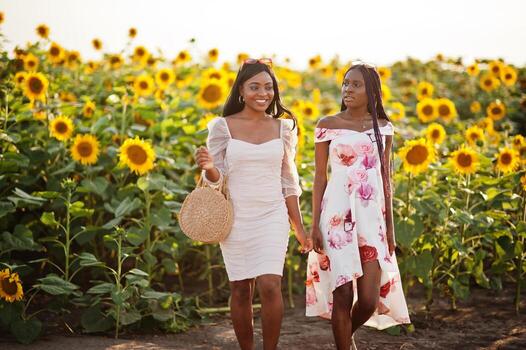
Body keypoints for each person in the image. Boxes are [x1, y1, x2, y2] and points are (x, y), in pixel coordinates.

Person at [195, 58, 312, 350]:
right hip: (236, 216)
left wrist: (298, 227)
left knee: (271, 284)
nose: (263, 93)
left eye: (269, 87)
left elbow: (289, 182)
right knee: (240, 289)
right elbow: (216, 179)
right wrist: (208, 167)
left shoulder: (284, 129)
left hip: (272, 215)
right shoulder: (222, 127)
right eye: (255, 86)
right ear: (241, 91)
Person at [306, 63, 410, 350]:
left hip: (371, 217)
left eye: (355, 85)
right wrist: (314, 225)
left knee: (366, 299)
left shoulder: (384, 128)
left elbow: (386, 179)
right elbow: (319, 178)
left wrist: (390, 228)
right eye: (345, 83)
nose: (348, 89)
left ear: (372, 91)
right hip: (336, 216)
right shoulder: (327, 124)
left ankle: (344, 335)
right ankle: (344, 345)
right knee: (341, 295)